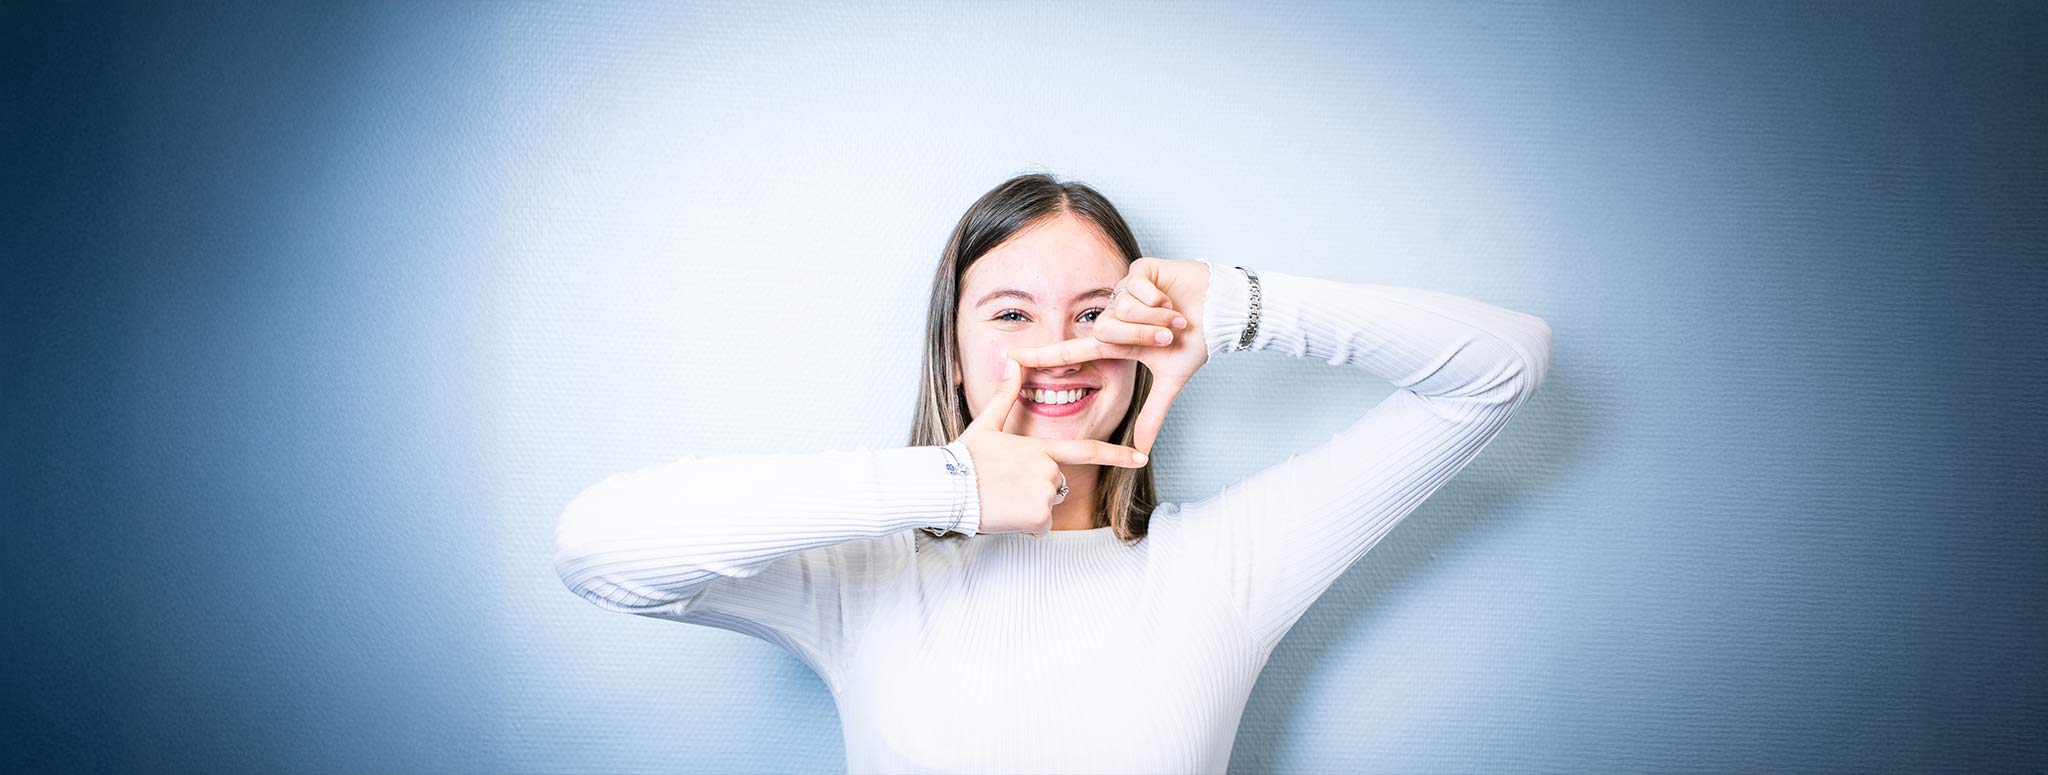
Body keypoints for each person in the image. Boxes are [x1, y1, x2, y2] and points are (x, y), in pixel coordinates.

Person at [553, 172, 1553, 774]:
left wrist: (1241, 305)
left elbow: (1498, 371)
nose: (1058, 351)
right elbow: (599, 550)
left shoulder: (1227, 561)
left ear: (1147, 336)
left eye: (1094, 312)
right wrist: (948, 487)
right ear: (950, 352)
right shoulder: (863, 579)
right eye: (1009, 313)